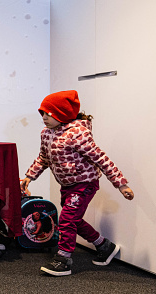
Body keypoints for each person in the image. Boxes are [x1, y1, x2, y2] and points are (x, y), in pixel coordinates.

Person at [20, 90, 134, 276]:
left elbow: (101, 159)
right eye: (43, 113)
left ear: (62, 114)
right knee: (73, 219)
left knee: (66, 219)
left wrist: (121, 184)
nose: (44, 117)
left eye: (49, 113)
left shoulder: (77, 134)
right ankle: (104, 246)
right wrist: (29, 176)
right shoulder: (46, 133)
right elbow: (43, 158)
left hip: (85, 184)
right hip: (67, 185)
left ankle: (63, 260)